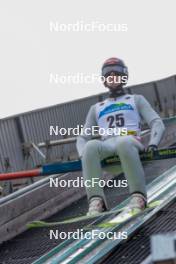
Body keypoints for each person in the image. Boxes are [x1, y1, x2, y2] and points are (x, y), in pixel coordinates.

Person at [76, 57, 165, 216]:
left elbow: (157, 122)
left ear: (124, 77)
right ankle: (97, 201)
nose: (112, 78)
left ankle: (139, 197)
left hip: (131, 145)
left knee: (124, 141)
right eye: (108, 75)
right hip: (108, 147)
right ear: (104, 79)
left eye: (116, 74)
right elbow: (83, 138)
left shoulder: (135, 99)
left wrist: (153, 144)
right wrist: (83, 154)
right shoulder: (96, 107)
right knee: (91, 146)